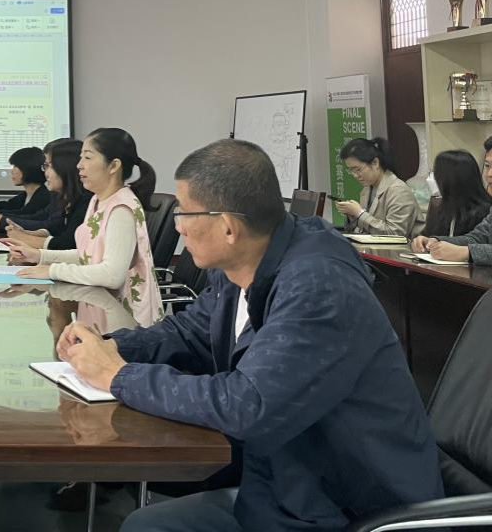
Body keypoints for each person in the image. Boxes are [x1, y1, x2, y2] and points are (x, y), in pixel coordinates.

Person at [58, 139, 443, 532]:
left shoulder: (318, 285)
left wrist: (119, 376)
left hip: (349, 507)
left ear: (227, 226)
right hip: (283, 481)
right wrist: (112, 346)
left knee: (147, 527)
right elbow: (191, 331)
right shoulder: (244, 263)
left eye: (184, 212)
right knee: (146, 522)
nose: (177, 225)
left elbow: (247, 404)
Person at [13, 128, 163, 327]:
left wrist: (52, 270)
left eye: (87, 157)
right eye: (80, 158)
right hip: (100, 305)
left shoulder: (121, 209)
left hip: (125, 320)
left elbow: (111, 275)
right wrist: (40, 256)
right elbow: (90, 255)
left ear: (114, 166)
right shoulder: (98, 200)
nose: (79, 165)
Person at [412, 131, 492, 266]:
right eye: (487, 166)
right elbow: (477, 237)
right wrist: (435, 241)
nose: (490, 174)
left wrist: (468, 252)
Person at [1, 138, 86, 251]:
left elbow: (68, 244)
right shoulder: (61, 197)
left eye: (48, 166)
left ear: (66, 166)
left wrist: (25, 238)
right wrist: (25, 233)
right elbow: (55, 228)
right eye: (45, 166)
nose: (45, 172)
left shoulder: (86, 199)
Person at [334, 137, 423, 237]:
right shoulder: (367, 189)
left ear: (375, 163)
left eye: (358, 170)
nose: (355, 175)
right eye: (351, 171)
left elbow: (395, 234)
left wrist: (359, 213)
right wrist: (352, 215)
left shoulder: (398, 190)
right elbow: (365, 228)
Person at [422, 149, 490, 238]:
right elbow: (428, 236)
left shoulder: (486, 213)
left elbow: (472, 242)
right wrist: (422, 240)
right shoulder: (441, 206)